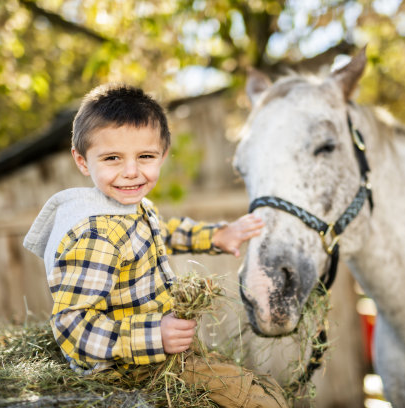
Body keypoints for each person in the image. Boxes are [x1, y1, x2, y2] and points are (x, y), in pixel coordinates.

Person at [23, 83, 287, 408]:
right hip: (127, 370)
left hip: (154, 354)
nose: (131, 172)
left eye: (145, 156)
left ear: (162, 155)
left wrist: (216, 236)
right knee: (264, 401)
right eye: (112, 158)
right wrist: (154, 335)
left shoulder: (132, 209)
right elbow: (72, 325)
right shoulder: (97, 233)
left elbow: (165, 232)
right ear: (82, 161)